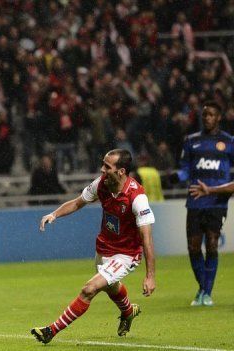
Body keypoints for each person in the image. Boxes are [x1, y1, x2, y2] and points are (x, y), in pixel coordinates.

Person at [31, 149, 156, 344]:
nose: (102, 169)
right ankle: (129, 311)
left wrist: (150, 276)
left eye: (107, 166)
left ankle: (51, 331)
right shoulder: (101, 184)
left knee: (90, 289)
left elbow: (147, 238)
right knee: (111, 287)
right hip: (104, 248)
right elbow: (77, 203)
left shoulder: (137, 198)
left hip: (125, 255)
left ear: (121, 171)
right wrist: (54, 214)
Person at [174, 100, 234, 306]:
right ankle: (204, 288)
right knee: (193, 247)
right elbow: (184, 168)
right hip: (195, 200)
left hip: (217, 202)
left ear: (219, 117)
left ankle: (206, 293)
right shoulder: (191, 141)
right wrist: (177, 176)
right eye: (205, 114)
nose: (207, 117)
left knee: (212, 245)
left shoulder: (229, 142)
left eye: (211, 115)